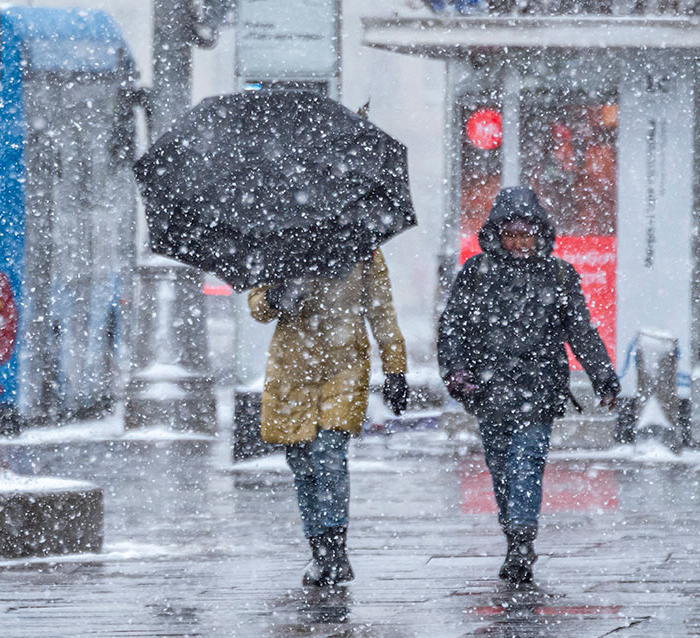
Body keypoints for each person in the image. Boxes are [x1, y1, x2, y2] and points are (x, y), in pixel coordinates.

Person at [438, 186, 619, 585]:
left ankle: (522, 540)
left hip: (538, 389)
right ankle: (514, 534)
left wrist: (603, 376)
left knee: (528, 461)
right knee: (501, 467)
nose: (519, 243)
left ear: (540, 234)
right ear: (497, 235)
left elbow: (580, 331)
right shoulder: (477, 273)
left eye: (526, 234)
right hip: (488, 391)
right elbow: (452, 326)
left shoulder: (558, 274)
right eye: (512, 235)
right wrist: (455, 372)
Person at [249, 249, 409, 586]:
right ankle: (318, 547)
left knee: (329, 454)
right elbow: (257, 306)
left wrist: (395, 369)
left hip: (345, 366)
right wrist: (278, 296)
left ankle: (335, 547)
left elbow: (382, 313)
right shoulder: (281, 246)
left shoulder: (363, 250)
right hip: (292, 370)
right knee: (301, 460)